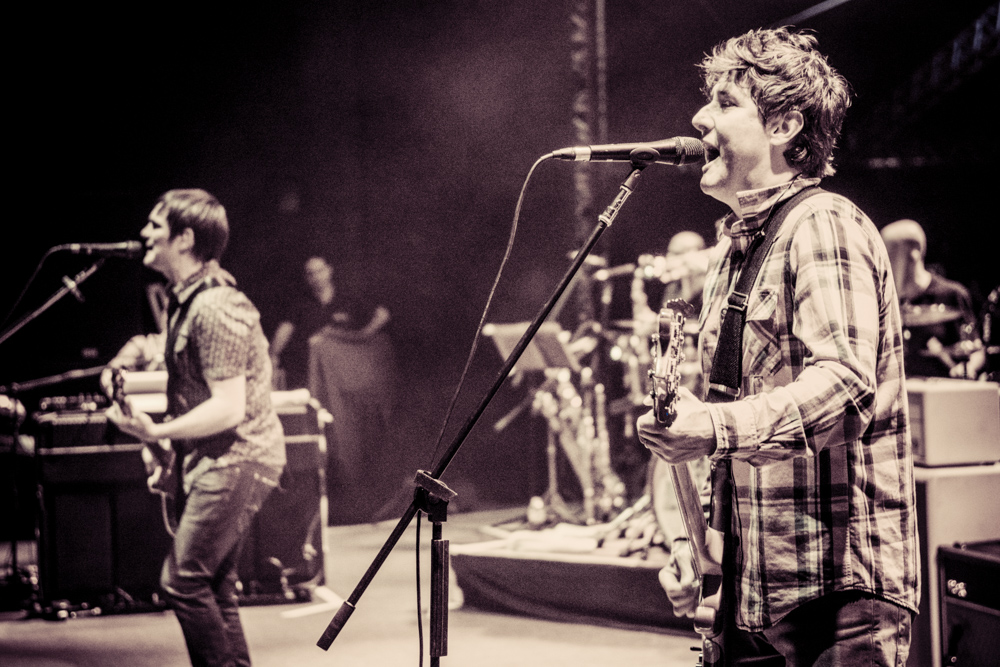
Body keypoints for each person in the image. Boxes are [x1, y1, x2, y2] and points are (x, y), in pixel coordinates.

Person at [637, 28, 920, 665]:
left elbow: (845, 386)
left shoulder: (823, 222)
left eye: (724, 102)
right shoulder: (733, 253)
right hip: (752, 594)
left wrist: (712, 428)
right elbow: (725, 430)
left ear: (785, 125)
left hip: (836, 600)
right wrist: (696, 549)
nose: (699, 118)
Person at [107, 189, 285, 667]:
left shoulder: (215, 306)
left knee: (183, 582)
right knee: (215, 587)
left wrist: (157, 434)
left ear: (185, 239)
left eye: (155, 225)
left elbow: (228, 409)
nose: (144, 233)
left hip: (238, 457)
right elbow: (193, 390)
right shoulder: (185, 302)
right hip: (216, 458)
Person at [268, 256, 390, 391]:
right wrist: (272, 356)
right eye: (310, 274)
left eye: (319, 271)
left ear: (329, 270)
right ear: (306, 278)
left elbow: (382, 315)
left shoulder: (348, 298)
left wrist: (363, 335)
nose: (316, 277)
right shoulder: (301, 304)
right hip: (311, 372)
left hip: (345, 373)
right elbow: (284, 331)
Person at [880, 219, 981, 378]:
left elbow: (976, 349)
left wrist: (968, 367)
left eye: (890, 252)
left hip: (946, 387)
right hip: (905, 388)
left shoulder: (953, 294)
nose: (882, 261)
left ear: (915, 251)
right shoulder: (885, 301)